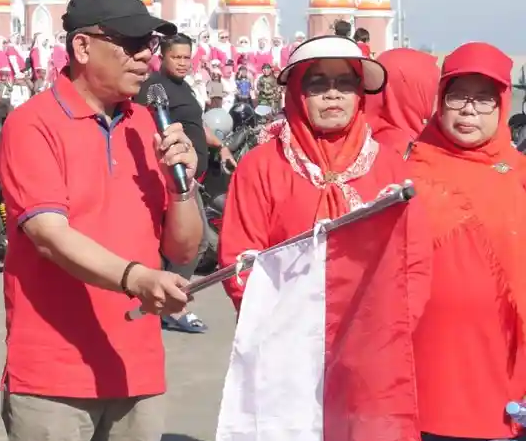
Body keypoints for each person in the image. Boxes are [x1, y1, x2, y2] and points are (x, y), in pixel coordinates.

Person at [0, 0, 202, 441]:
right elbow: (50, 236)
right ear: (83, 47)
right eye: (133, 43)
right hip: (53, 369)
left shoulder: (148, 126)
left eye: (152, 44)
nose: (148, 56)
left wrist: (183, 179)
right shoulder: (34, 125)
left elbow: (185, 247)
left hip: (135, 366)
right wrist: (137, 279)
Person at [406, 42, 526, 441]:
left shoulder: (520, 177)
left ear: (503, 106)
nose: (470, 111)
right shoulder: (405, 177)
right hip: (427, 394)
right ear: (440, 101)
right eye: (459, 97)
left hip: (504, 396)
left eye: (484, 99)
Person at [218, 35, 404, 307]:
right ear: (297, 92)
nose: (333, 93)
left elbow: (410, 255)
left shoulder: (389, 165)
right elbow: (240, 261)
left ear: (359, 93)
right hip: (283, 332)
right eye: (317, 84)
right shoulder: (260, 166)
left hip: (370, 333)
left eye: (345, 83)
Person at [142, 33, 213, 334]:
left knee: (195, 242)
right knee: (197, 243)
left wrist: (218, 145)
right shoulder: (154, 88)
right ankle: (174, 304)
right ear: (164, 57)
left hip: (193, 175)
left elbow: (196, 125)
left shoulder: (185, 89)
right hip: (175, 177)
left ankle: (166, 301)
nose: (183, 63)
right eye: (177, 57)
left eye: (187, 57)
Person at [367, 48, 438, 156]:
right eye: (433, 90)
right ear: (411, 94)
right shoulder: (408, 154)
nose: (437, 98)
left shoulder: (364, 139)